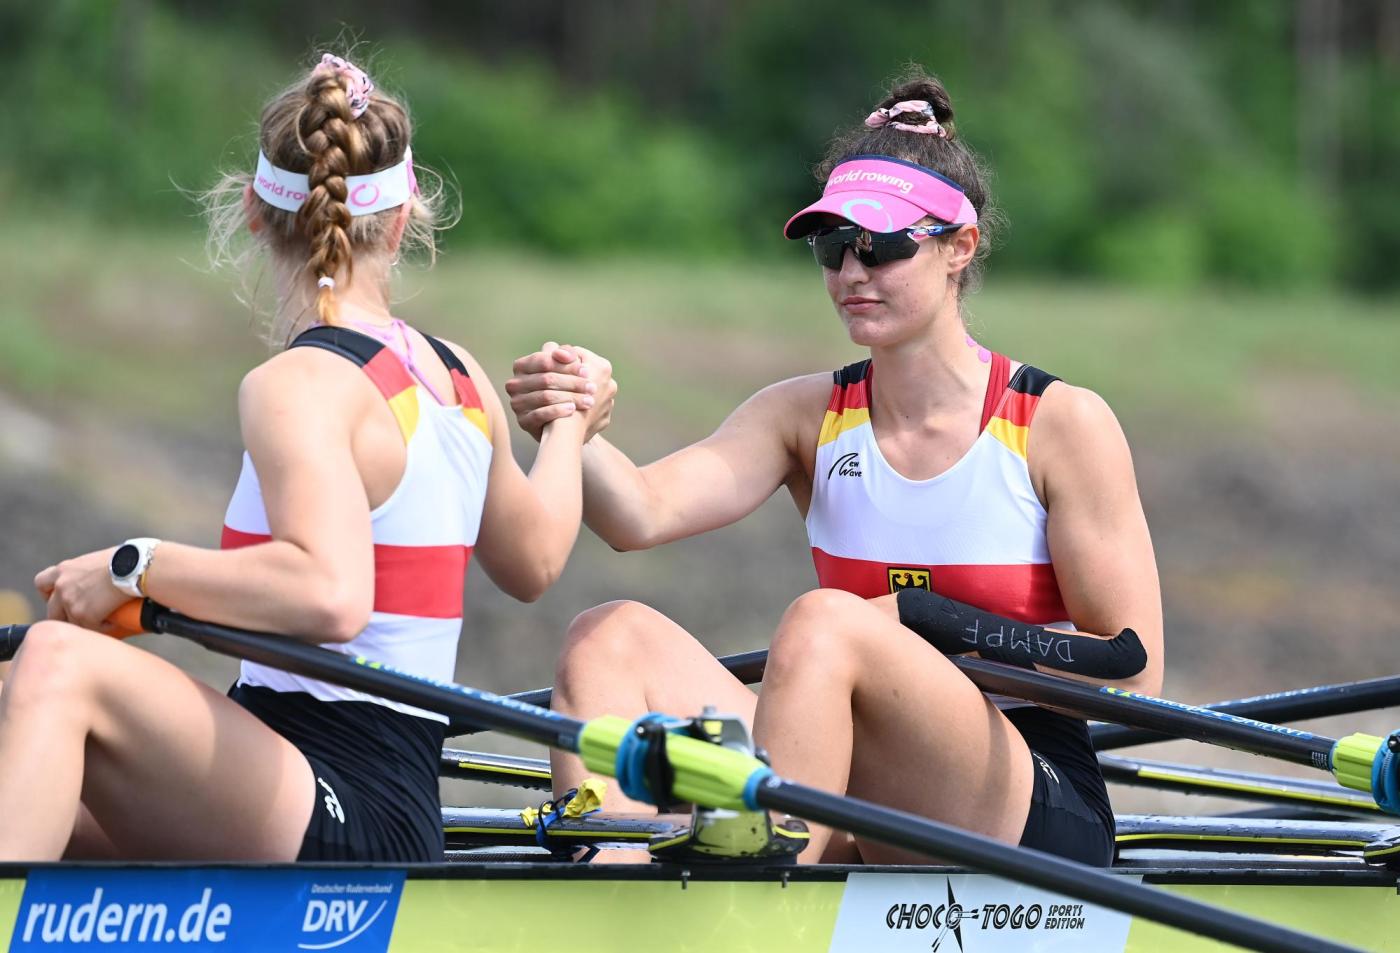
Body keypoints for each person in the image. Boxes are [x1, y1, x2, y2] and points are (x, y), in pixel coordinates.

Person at [506, 70, 1162, 866]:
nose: (852, 273)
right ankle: (612, 886)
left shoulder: (1061, 423)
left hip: (1025, 788)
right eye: (832, 247)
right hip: (851, 781)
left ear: (960, 247)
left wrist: (932, 627)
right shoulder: (806, 416)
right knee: (605, 636)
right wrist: (572, 424)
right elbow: (637, 512)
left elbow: (1136, 674)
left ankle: (763, 873)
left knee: (826, 623)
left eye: (880, 247)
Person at [0, 53, 607, 863]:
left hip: (344, 801)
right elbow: (534, 560)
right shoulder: (459, 379)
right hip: (350, 788)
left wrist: (131, 566)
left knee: (56, 663)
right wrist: (569, 422)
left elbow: (329, 595)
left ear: (251, 210)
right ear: (403, 219)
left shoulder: (298, 384)